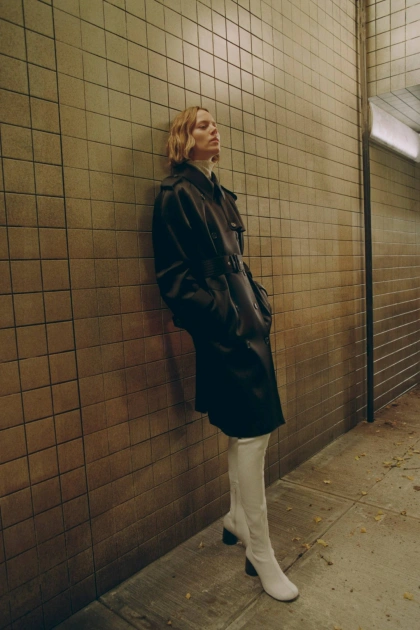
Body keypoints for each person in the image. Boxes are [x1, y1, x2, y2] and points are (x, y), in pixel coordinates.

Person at [152, 106, 298, 601]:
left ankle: (237, 518)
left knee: (247, 430)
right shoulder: (176, 194)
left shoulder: (217, 193)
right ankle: (261, 553)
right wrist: (223, 319)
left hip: (245, 324)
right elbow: (174, 280)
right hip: (226, 331)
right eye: (202, 124)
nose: (213, 129)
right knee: (253, 433)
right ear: (183, 138)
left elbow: (237, 262)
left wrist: (256, 304)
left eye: (214, 123)